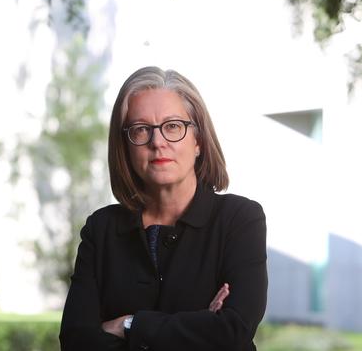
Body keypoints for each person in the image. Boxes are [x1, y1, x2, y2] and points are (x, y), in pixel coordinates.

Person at [59, 66, 267, 351]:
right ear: (125, 146)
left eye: (172, 126)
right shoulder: (101, 228)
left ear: (198, 141)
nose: (158, 142)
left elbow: (233, 331)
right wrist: (198, 328)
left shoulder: (239, 219)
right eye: (141, 129)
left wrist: (127, 325)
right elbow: (76, 341)